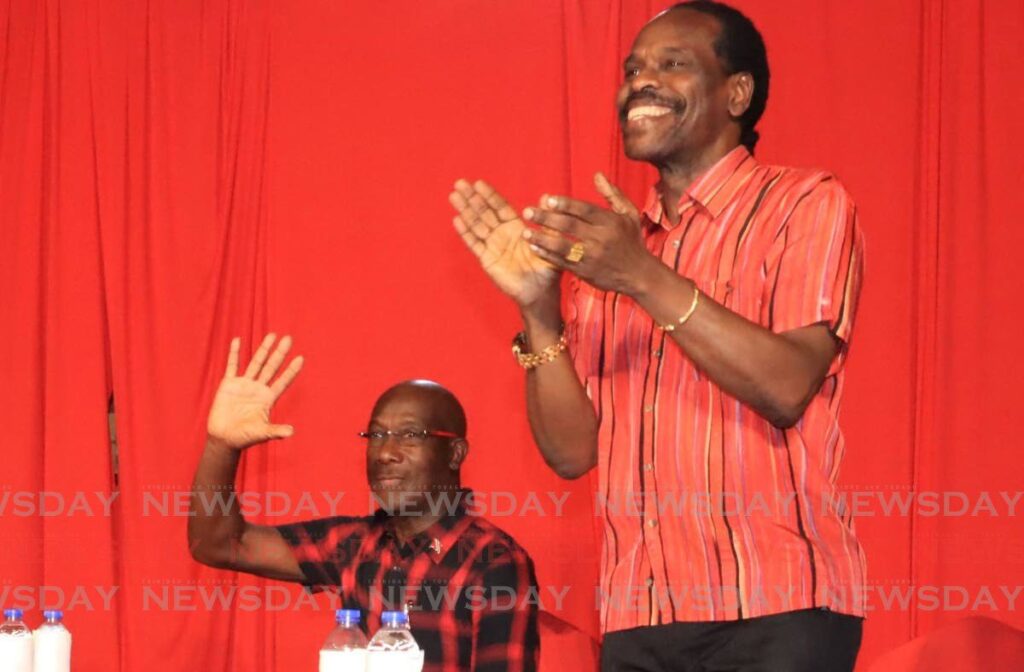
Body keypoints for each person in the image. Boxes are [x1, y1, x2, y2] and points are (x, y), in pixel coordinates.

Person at [449, 1, 865, 671]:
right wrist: (539, 309)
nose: (640, 82)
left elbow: (787, 386)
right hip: (640, 616)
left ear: (737, 93)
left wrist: (643, 275)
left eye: (673, 64)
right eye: (633, 68)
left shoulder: (805, 203)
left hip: (779, 609)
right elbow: (571, 451)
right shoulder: (615, 246)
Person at [188, 333, 540, 672]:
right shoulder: (354, 544)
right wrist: (222, 447)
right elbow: (219, 544)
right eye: (377, 435)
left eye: (409, 435)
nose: (386, 452)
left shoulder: (494, 561)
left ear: (455, 453)